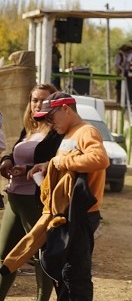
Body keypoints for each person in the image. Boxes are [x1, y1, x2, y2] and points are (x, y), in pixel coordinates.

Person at [0, 92, 108, 301]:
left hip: (81, 215)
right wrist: (47, 165)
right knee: (62, 272)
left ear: (65, 109)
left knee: (75, 275)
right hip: (65, 214)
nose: (49, 123)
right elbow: (67, 164)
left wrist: (60, 163)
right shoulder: (68, 134)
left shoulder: (86, 131)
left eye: (50, 117)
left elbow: (99, 159)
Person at [0, 84, 62, 301]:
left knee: (40, 255)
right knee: (5, 256)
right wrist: (6, 161)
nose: (37, 104)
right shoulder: (30, 127)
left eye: (43, 100)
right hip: (14, 198)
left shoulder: (56, 132)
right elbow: (15, 150)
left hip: (36, 200)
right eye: (34, 99)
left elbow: (56, 161)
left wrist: (27, 169)